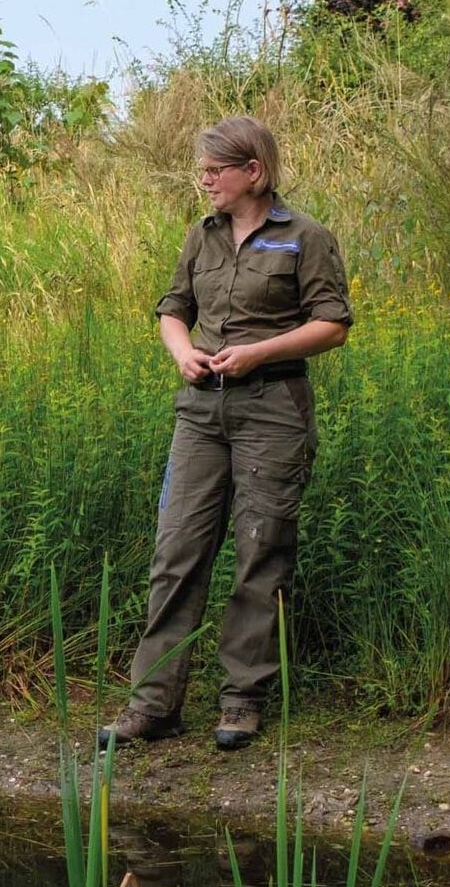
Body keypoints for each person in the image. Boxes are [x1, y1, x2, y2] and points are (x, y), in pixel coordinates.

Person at [100, 117, 352, 752]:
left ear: (254, 173)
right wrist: (181, 351)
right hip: (200, 413)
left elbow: (332, 324)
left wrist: (259, 354)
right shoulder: (200, 236)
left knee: (259, 553)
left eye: (216, 169)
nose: (205, 180)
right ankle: (154, 704)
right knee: (176, 552)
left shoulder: (305, 238)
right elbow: (172, 308)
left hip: (273, 410)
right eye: (203, 169)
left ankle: (241, 701)